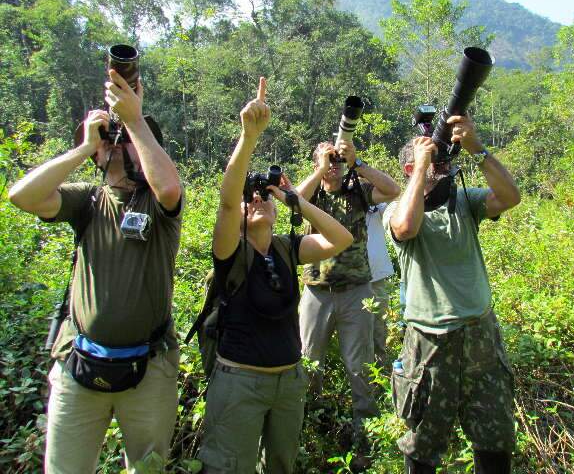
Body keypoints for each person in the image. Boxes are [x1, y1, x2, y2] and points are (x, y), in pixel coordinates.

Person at [9, 70, 183, 474]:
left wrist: (135, 122)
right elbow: (22, 196)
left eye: (129, 141)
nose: (118, 146)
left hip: (150, 368)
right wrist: (86, 145)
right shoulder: (86, 200)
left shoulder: (157, 204)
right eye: (111, 140)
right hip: (79, 364)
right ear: (98, 156)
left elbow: (170, 190)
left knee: (149, 468)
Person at [199, 77, 353, 474]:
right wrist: (248, 137)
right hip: (240, 383)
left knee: (282, 466)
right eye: (251, 199)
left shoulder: (287, 247)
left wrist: (292, 199)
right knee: (232, 467)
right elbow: (228, 199)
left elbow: (341, 237)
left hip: (288, 381)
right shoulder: (231, 252)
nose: (257, 200)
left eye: (261, 196)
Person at [385, 115, 521, 473]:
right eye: (435, 162)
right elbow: (405, 227)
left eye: (445, 160)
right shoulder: (395, 210)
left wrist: (476, 148)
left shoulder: (464, 201)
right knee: (424, 443)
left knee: (495, 436)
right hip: (430, 341)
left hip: (481, 335)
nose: (443, 166)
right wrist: (422, 167)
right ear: (410, 167)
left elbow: (510, 196)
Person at [296, 140, 400, 446]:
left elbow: (393, 190)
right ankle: (313, 429)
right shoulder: (312, 196)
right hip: (317, 292)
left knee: (360, 367)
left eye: (337, 159)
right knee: (309, 361)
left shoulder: (359, 192)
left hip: (357, 291)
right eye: (328, 158)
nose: (334, 163)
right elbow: (293, 199)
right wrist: (319, 170)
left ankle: (364, 437)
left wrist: (358, 164)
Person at [366, 202, 395, 370]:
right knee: (358, 330)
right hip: (351, 279)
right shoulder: (344, 197)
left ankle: (381, 371)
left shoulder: (377, 204)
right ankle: (364, 372)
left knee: (379, 328)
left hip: (376, 277)